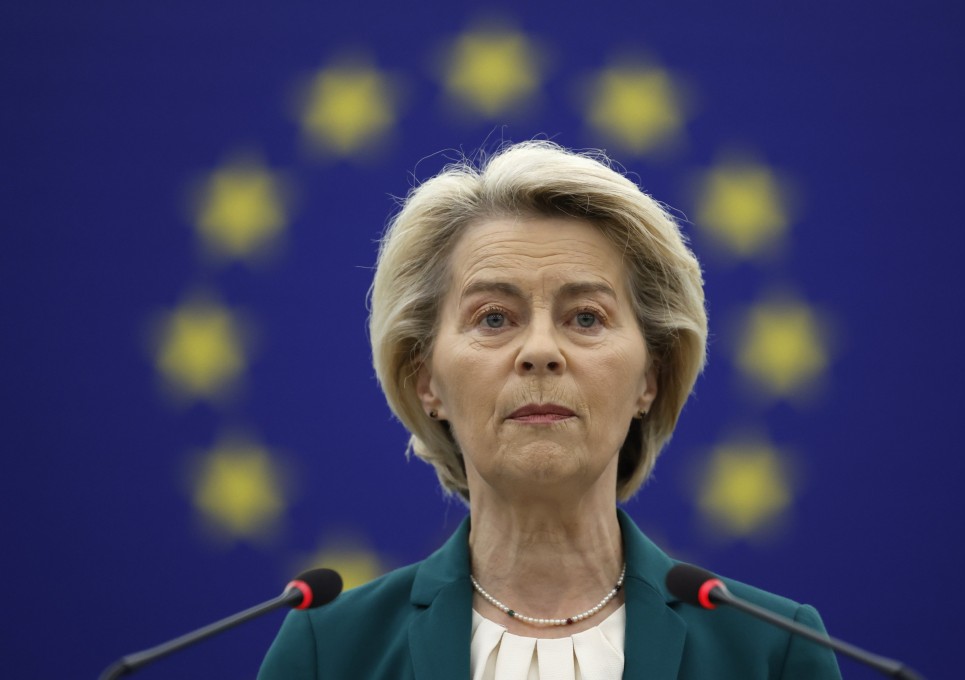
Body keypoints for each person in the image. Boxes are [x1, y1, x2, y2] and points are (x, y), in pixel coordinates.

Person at [258, 141, 842, 679]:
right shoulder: (328, 651)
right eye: (493, 318)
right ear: (426, 381)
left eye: (586, 317)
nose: (540, 351)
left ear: (650, 378)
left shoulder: (770, 651)